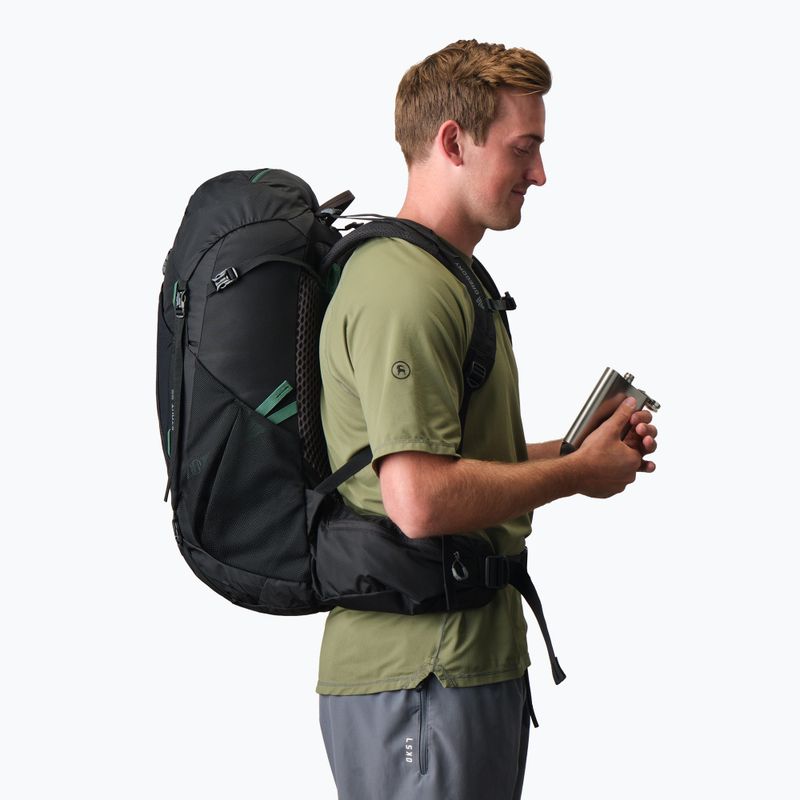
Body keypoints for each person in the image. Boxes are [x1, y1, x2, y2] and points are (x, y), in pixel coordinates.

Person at [317, 39, 658, 800]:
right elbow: (418, 500)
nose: (539, 173)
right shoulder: (404, 290)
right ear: (453, 142)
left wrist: (578, 450)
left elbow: (453, 463)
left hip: (454, 664)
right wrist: (576, 475)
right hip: (422, 675)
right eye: (523, 148)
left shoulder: (447, 277)